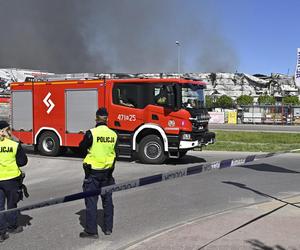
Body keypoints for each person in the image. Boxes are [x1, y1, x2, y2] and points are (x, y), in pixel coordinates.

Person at [79, 108, 118, 239]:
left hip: (93, 173)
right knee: (107, 201)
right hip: (107, 173)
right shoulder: (113, 134)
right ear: (107, 119)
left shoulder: (91, 133)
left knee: (91, 202)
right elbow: (114, 152)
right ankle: (108, 228)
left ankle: (92, 231)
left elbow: (82, 148)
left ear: (96, 118)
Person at [0, 121, 28, 242]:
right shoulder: (14, 144)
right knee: (11, 204)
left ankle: (1, 232)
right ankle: (12, 226)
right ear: (2, 131)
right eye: (8, 129)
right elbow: (22, 161)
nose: (10, 131)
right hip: (11, 180)